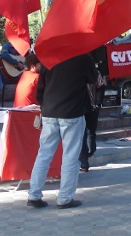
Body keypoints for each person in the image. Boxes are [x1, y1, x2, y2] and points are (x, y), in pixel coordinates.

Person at [27, 53, 98, 209]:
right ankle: (65, 198)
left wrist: (44, 106)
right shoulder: (83, 57)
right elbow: (93, 79)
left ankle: (34, 196)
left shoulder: (49, 56)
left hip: (50, 111)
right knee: (71, 155)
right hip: (72, 112)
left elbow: (41, 87)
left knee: (44, 154)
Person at [79, 65, 105, 172]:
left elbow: (101, 87)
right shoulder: (93, 72)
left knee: (89, 131)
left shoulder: (93, 73)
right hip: (85, 107)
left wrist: (98, 103)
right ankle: (86, 157)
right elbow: (101, 87)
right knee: (87, 132)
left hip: (90, 106)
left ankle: (89, 153)